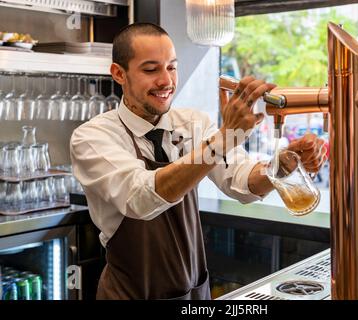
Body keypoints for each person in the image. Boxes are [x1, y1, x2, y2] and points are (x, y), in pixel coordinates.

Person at [70, 23, 327, 300]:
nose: (166, 81)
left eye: (171, 67)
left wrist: (284, 165)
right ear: (119, 74)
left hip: (192, 294)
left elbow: (239, 180)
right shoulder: (92, 137)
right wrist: (224, 138)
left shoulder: (192, 123)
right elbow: (140, 197)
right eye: (150, 69)